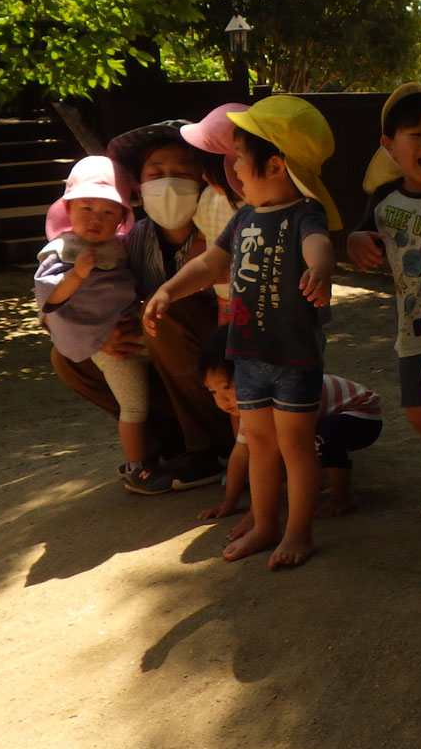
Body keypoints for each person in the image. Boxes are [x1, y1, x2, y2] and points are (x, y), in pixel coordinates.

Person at [145, 96, 340, 568]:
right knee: (261, 445)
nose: (233, 169)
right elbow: (211, 264)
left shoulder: (304, 213)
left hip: (293, 357)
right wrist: (169, 289)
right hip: (247, 355)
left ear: (275, 165)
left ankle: (298, 531)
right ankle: (265, 523)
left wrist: (320, 268)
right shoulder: (243, 217)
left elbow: (319, 244)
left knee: (295, 446)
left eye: (240, 159)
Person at [49, 122, 232, 493]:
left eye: (182, 174)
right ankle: (165, 437)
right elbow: (74, 300)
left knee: (165, 311)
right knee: (68, 356)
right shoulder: (130, 240)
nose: (168, 184)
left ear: (202, 180)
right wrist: (99, 337)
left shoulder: (219, 227)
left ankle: (212, 445)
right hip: (159, 362)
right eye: (156, 174)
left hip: (222, 361)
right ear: (137, 186)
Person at [346, 83, 421, 516]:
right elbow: (359, 235)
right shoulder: (382, 198)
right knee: (420, 415)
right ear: (388, 145)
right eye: (415, 135)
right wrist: (356, 241)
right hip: (411, 330)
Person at [34, 157, 152, 481]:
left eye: (108, 212)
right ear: (68, 209)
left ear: (122, 218)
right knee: (134, 405)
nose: (95, 218)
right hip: (103, 342)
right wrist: (76, 275)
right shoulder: (62, 250)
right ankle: (137, 466)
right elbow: (50, 299)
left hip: (133, 324)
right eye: (86, 208)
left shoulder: (120, 246)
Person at [195, 332, 384, 524]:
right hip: (324, 418)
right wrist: (229, 502)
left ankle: (342, 495)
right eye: (213, 391)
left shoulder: (282, 396)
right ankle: (315, 483)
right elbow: (240, 455)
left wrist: (256, 513)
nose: (221, 399)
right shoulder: (252, 407)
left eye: (227, 387)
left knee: (314, 439)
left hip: (363, 415)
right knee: (296, 442)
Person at [181, 103, 248, 311]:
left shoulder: (259, 209)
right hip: (224, 300)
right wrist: (191, 267)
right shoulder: (209, 197)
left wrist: (226, 273)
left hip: (257, 301)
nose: (203, 176)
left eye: (207, 169)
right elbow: (202, 238)